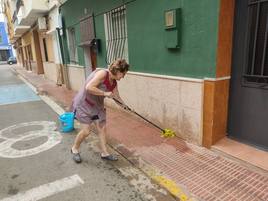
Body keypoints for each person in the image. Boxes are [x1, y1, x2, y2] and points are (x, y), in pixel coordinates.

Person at [70, 59, 129, 163]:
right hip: (84, 104)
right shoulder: (102, 74)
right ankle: (74, 149)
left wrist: (124, 106)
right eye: (123, 74)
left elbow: (116, 96)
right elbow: (89, 87)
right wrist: (105, 93)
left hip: (97, 106)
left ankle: (104, 153)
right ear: (118, 71)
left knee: (102, 128)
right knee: (86, 131)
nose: (123, 77)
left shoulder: (114, 82)